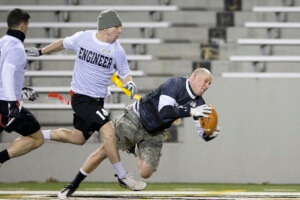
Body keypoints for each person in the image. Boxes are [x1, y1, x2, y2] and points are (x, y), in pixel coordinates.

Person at [25, 10, 145, 191]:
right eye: (117, 27)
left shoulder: (117, 49)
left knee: (78, 138)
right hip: (81, 97)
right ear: (105, 27)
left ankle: (39, 134)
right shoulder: (84, 38)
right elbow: (62, 44)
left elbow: (125, 73)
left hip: (97, 101)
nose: (120, 31)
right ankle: (122, 176)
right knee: (108, 129)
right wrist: (41, 51)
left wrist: (130, 83)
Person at [57, 68, 221, 199]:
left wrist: (208, 134)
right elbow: (165, 112)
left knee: (145, 172)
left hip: (154, 132)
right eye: (206, 81)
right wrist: (191, 111)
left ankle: (134, 148)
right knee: (104, 151)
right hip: (136, 119)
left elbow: (201, 131)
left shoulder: (199, 103)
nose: (207, 85)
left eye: (210, 84)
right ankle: (73, 184)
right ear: (194, 77)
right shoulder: (176, 84)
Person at [0, 9, 43, 168]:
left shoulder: (2, 42)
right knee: (37, 138)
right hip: (6, 103)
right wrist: (12, 101)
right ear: (23, 26)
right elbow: (7, 72)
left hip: (4, 98)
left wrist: (21, 90)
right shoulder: (16, 47)